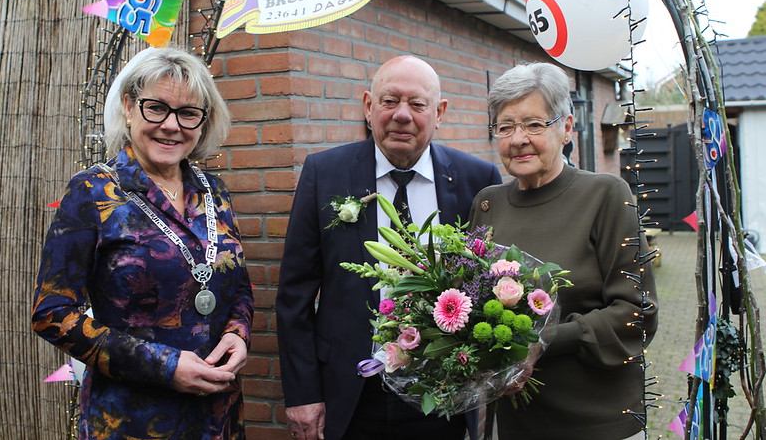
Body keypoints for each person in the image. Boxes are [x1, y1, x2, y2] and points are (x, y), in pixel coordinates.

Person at [32, 47, 253, 439]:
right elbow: (52, 313)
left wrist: (238, 333)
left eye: (188, 113)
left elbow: (237, 287)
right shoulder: (92, 191)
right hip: (129, 418)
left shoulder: (213, 191)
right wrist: (164, 366)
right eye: (157, 108)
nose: (172, 125)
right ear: (129, 106)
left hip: (216, 415)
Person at [276, 55, 502, 440]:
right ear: (368, 106)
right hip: (350, 392)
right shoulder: (324, 173)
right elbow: (295, 295)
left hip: (441, 394)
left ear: (439, 112)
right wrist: (302, 394)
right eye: (389, 100)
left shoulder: (478, 180)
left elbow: (490, 280)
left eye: (417, 104)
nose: (402, 115)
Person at [468, 62, 658, 440]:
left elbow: (637, 313)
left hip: (597, 421)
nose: (518, 138)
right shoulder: (488, 205)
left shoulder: (606, 195)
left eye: (534, 124)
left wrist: (542, 342)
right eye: (505, 127)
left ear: (567, 128)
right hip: (516, 423)